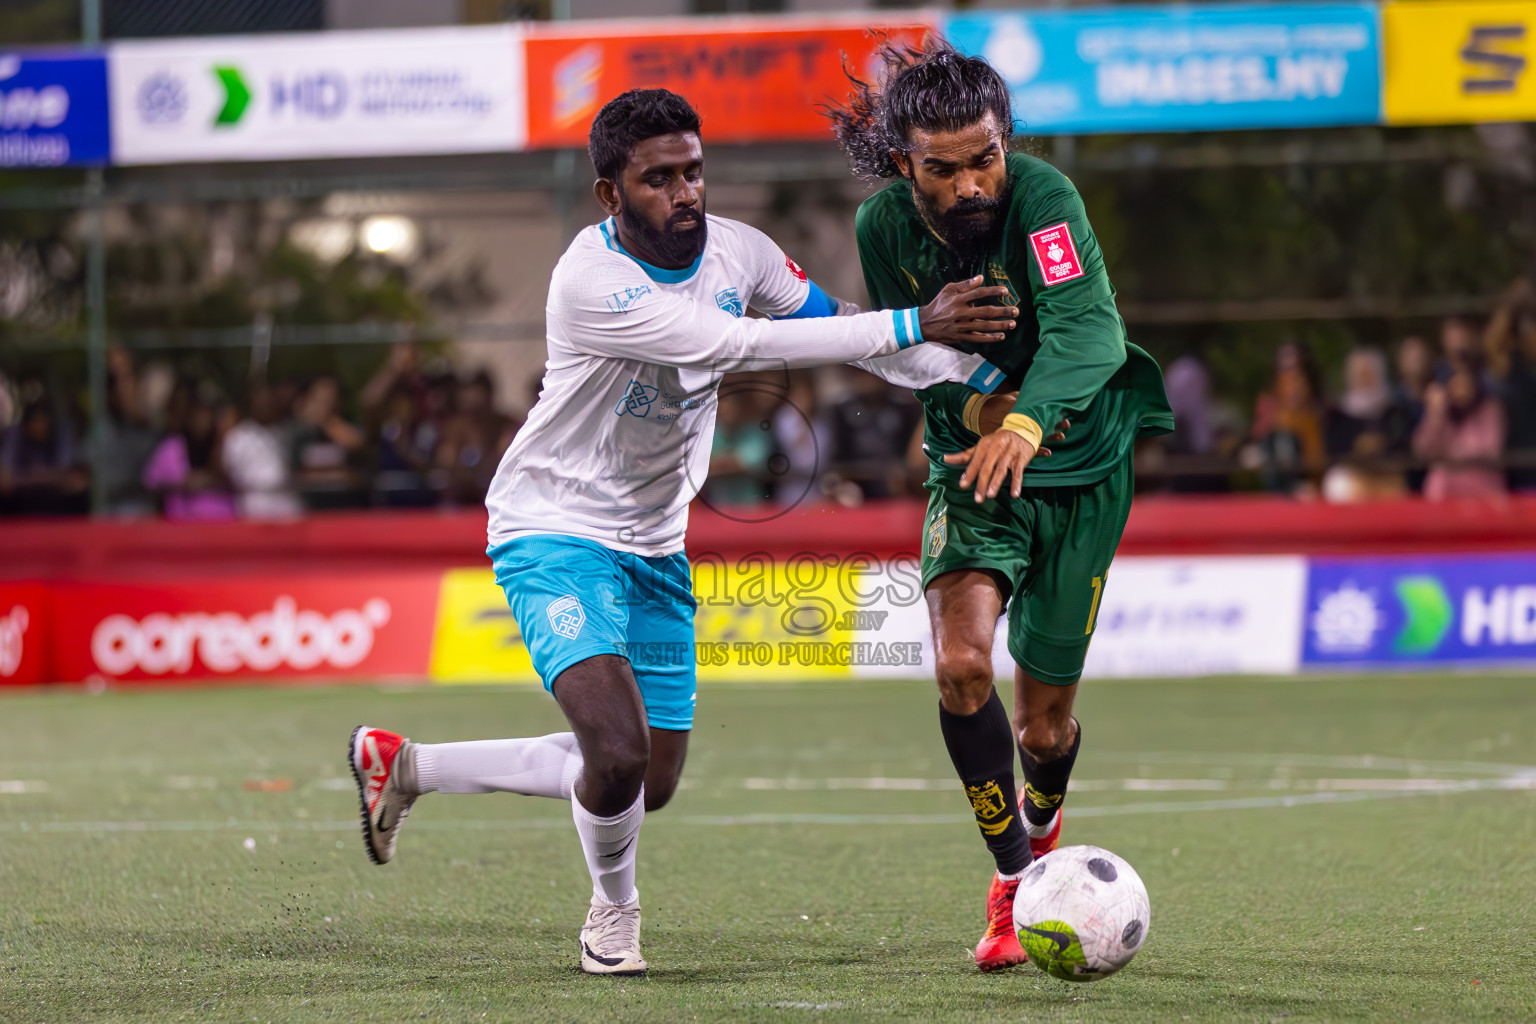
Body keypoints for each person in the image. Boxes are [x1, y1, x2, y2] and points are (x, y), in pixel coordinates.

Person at [347, 88, 1019, 977]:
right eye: (657, 179)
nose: (684, 192)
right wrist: (914, 317)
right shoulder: (590, 280)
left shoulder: (739, 251)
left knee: (646, 780)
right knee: (617, 752)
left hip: (656, 541)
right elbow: (730, 347)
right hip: (554, 526)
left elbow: (840, 336)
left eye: (692, 171)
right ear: (609, 195)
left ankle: (408, 768)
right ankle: (612, 914)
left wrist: (977, 376)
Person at [826, 42, 1173, 972]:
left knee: (1043, 728)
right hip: (973, 470)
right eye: (943, 169)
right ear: (906, 163)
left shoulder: (1044, 199)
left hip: (1083, 469)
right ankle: (1016, 880)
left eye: (986, 157)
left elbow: (1088, 331)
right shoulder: (883, 229)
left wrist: (1022, 420)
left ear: (1005, 142)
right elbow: (907, 354)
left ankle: (1046, 809)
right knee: (962, 667)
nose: (972, 183)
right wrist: (976, 412)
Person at [1412, 356, 1507, 501]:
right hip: (1444, 492)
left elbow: (1491, 448)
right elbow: (1423, 450)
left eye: (1466, 382)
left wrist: (1450, 454)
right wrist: (1435, 416)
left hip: (1482, 489)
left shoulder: (1489, 408)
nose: (1461, 388)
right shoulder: (1440, 410)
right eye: (1456, 383)